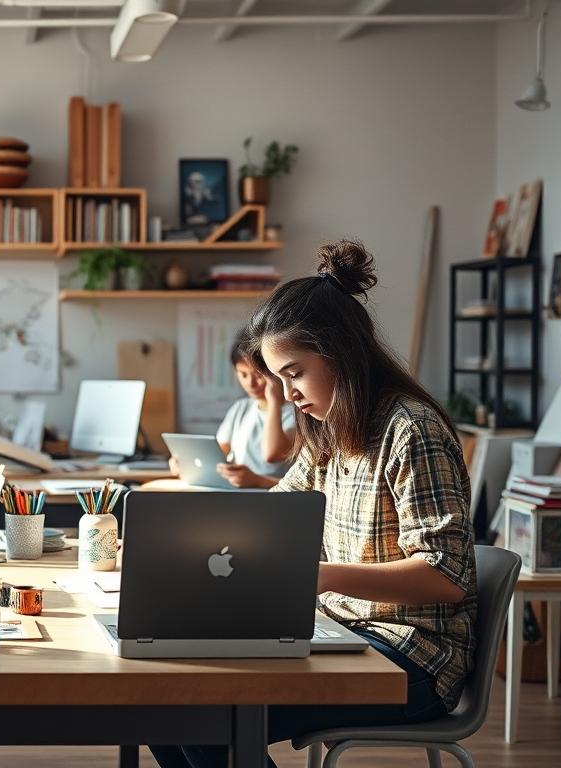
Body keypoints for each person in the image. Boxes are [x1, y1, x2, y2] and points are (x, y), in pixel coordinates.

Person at [151, 241, 477, 768]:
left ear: (340, 352)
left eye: (294, 373)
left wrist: (319, 575)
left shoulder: (412, 430)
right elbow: (272, 515)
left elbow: (445, 574)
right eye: (279, 378)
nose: (288, 393)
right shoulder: (327, 435)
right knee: (165, 707)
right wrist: (178, 542)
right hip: (340, 632)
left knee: (204, 715)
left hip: (413, 656)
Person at [170, 334, 296, 489]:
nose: (250, 383)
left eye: (258, 375)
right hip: (239, 493)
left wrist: (274, 402)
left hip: (275, 496)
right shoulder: (241, 408)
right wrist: (186, 463)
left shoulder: (296, 413)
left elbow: (271, 454)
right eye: (243, 374)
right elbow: (216, 455)